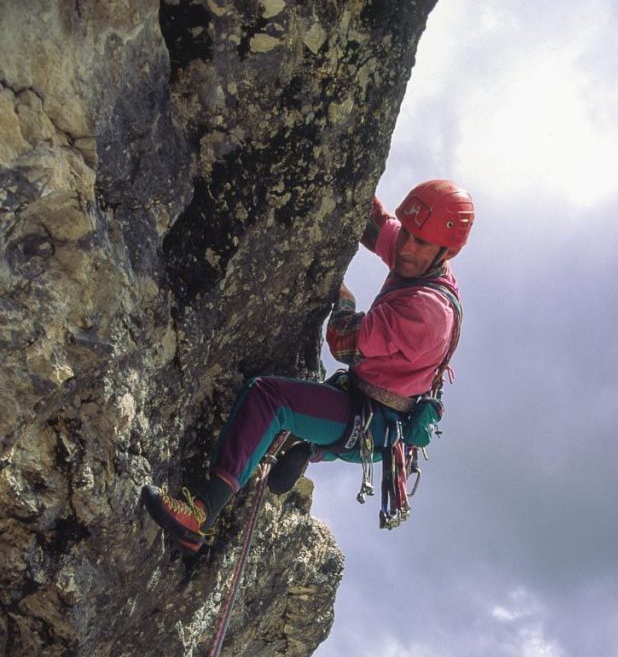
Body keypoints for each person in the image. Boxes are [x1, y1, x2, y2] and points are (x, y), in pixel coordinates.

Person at [142, 179, 475, 553]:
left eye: (420, 242)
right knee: (298, 414)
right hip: (369, 415)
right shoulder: (419, 261)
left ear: (447, 252)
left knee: (270, 399)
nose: (406, 248)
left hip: (366, 420)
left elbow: (343, 341)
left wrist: (345, 301)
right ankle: (307, 450)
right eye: (408, 234)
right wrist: (348, 181)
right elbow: (377, 227)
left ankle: (199, 517)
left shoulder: (427, 313)